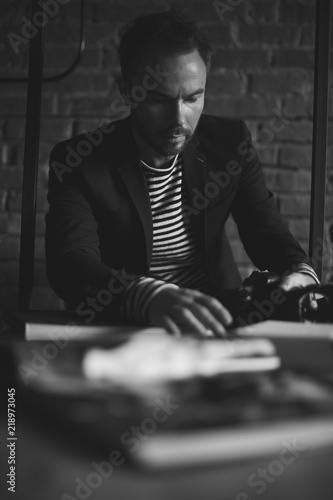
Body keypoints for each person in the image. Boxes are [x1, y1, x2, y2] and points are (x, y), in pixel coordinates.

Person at [45, 10, 319, 336]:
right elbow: (69, 262)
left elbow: (266, 231)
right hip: (127, 327)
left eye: (192, 98)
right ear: (127, 91)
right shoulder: (79, 161)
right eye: (159, 99)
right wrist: (149, 296)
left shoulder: (230, 144)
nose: (179, 119)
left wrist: (302, 274)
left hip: (221, 320)